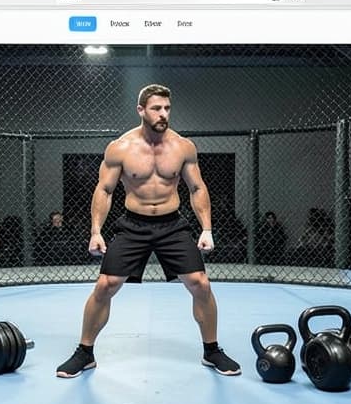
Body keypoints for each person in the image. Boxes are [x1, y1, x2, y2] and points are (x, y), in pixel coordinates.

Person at [56, 84, 241, 378]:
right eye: (156, 108)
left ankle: (212, 350)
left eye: (167, 108)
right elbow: (104, 189)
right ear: (141, 110)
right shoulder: (121, 148)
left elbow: (197, 188)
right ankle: (84, 352)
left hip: (171, 224)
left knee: (201, 284)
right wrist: (96, 231)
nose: (163, 114)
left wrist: (207, 229)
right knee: (105, 285)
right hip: (133, 224)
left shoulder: (183, 147)